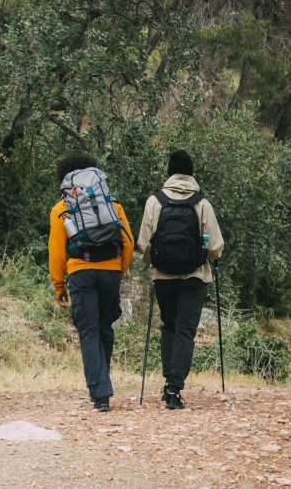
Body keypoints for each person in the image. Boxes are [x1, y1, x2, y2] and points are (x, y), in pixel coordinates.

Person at [136, 150, 224, 410]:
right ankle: (175, 388)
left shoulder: (155, 201)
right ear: (191, 173)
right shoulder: (202, 204)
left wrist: (153, 264)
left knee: (169, 327)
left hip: (163, 278)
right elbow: (216, 247)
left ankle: (167, 382)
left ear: (169, 172)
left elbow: (143, 243)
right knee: (185, 332)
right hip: (193, 278)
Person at [49, 153, 134, 412]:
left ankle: (100, 394)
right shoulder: (111, 204)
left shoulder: (61, 208)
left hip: (80, 273)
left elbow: (57, 250)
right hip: (110, 271)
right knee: (104, 327)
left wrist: (58, 285)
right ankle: (102, 383)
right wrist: (119, 271)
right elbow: (128, 241)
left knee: (88, 331)